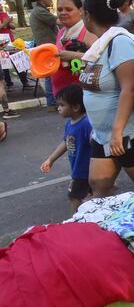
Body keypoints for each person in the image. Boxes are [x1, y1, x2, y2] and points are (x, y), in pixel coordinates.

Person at [69, 0, 134, 197]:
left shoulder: (120, 43)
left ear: (88, 15)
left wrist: (117, 131)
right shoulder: (99, 46)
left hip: (129, 132)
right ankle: (102, 228)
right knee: (98, 185)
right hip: (103, 135)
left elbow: (130, 87)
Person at [39, 84, 92, 212]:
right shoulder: (69, 123)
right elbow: (65, 143)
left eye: (62, 105)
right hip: (78, 169)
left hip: (84, 171)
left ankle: (76, 221)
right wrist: (51, 159)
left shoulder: (85, 124)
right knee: (88, 197)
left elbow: (96, 143)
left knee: (74, 196)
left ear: (76, 107)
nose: (59, 108)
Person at [51, 0, 97, 95]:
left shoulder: (88, 32)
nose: (63, 13)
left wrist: (72, 55)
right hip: (62, 95)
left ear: (80, 10)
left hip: (80, 95)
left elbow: (98, 59)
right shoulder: (61, 32)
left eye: (68, 9)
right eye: (59, 10)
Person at [28, 0, 59, 109]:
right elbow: (58, 21)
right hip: (47, 46)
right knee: (50, 74)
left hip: (46, 45)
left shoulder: (40, 10)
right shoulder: (40, 11)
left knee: (50, 74)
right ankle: (51, 102)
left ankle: (52, 101)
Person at [0, 8, 29, 89]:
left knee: (17, 61)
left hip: (10, 42)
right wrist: (4, 23)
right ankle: (9, 84)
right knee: (5, 64)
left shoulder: (4, 14)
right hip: (1, 45)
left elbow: (13, 27)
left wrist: (9, 23)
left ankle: (25, 82)